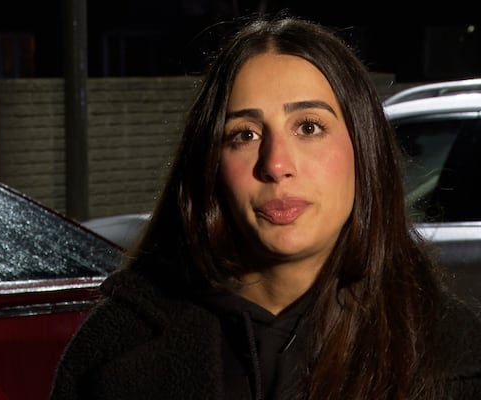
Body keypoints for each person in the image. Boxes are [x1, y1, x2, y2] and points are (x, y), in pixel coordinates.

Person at [50, 14, 481, 400]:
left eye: (309, 127)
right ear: (211, 165)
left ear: (363, 149)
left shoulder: (455, 359)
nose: (275, 165)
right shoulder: (116, 349)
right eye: (245, 135)